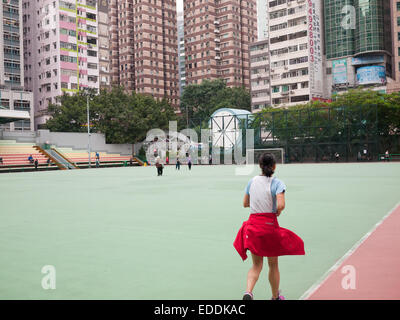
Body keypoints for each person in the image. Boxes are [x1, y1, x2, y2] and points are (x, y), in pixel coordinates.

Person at [233, 153, 305, 300]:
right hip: (269, 227)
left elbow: (245, 203)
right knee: (273, 265)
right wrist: (278, 210)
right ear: (274, 166)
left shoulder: (251, 181)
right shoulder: (277, 183)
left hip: (253, 227)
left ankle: (248, 292)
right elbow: (281, 204)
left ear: (259, 166)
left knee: (256, 265)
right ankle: (275, 297)